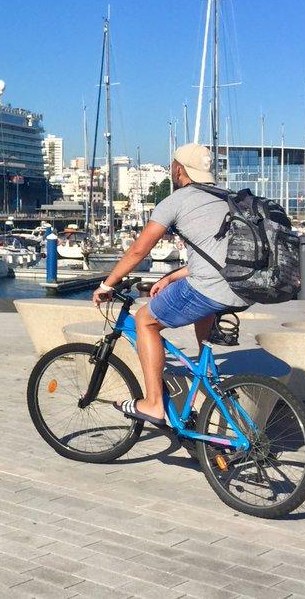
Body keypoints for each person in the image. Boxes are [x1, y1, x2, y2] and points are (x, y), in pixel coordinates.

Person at [92, 143, 251, 427]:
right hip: (240, 287)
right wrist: (170, 277)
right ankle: (207, 372)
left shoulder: (177, 201)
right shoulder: (227, 198)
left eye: (172, 168)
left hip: (210, 288)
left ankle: (153, 404)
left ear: (179, 170)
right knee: (203, 307)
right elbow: (214, 257)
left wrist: (107, 284)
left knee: (145, 321)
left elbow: (138, 251)